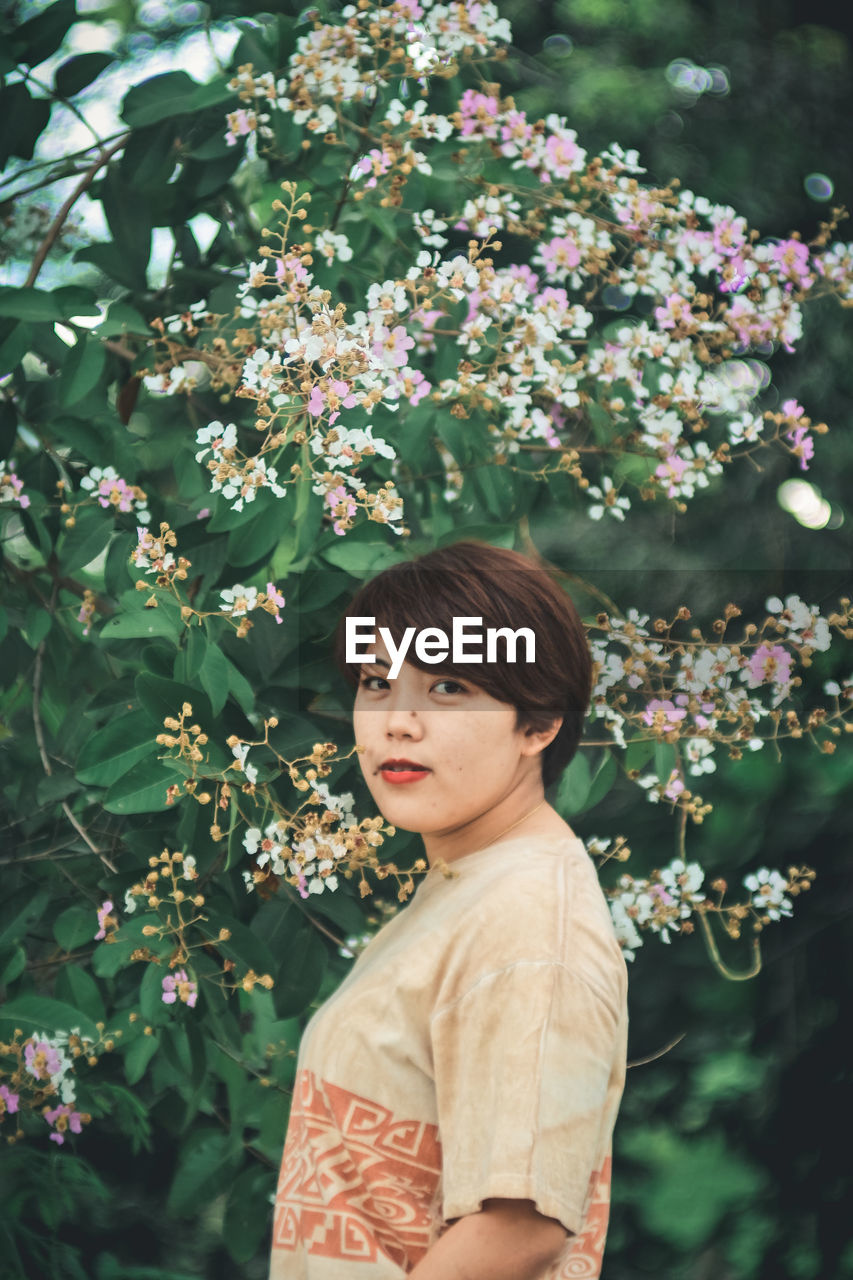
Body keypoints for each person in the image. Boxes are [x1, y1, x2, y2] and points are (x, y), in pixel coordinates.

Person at [269, 541, 628, 1280]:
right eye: (377, 682)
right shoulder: (469, 886)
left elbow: (520, 1229)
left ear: (538, 724)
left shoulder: (530, 918)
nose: (397, 721)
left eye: (448, 687)